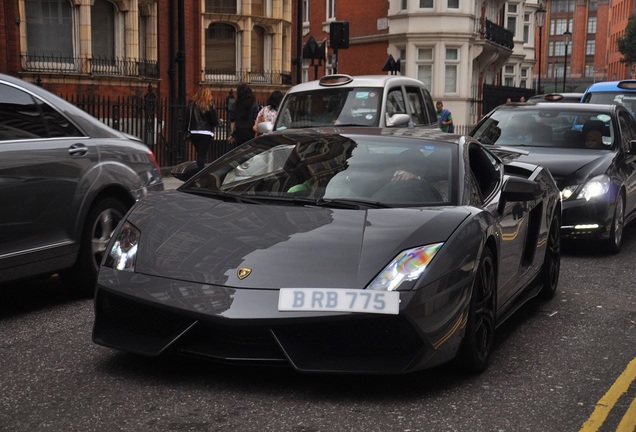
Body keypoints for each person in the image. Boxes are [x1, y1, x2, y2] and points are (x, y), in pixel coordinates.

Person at [185, 86, 220, 171]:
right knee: (201, 154)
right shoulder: (210, 105)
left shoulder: (192, 105)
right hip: (206, 133)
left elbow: (186, 119)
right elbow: (214, 121)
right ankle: (200, 173)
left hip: (194, 132)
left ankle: (201, 169)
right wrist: (219, 122)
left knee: (200, 153)